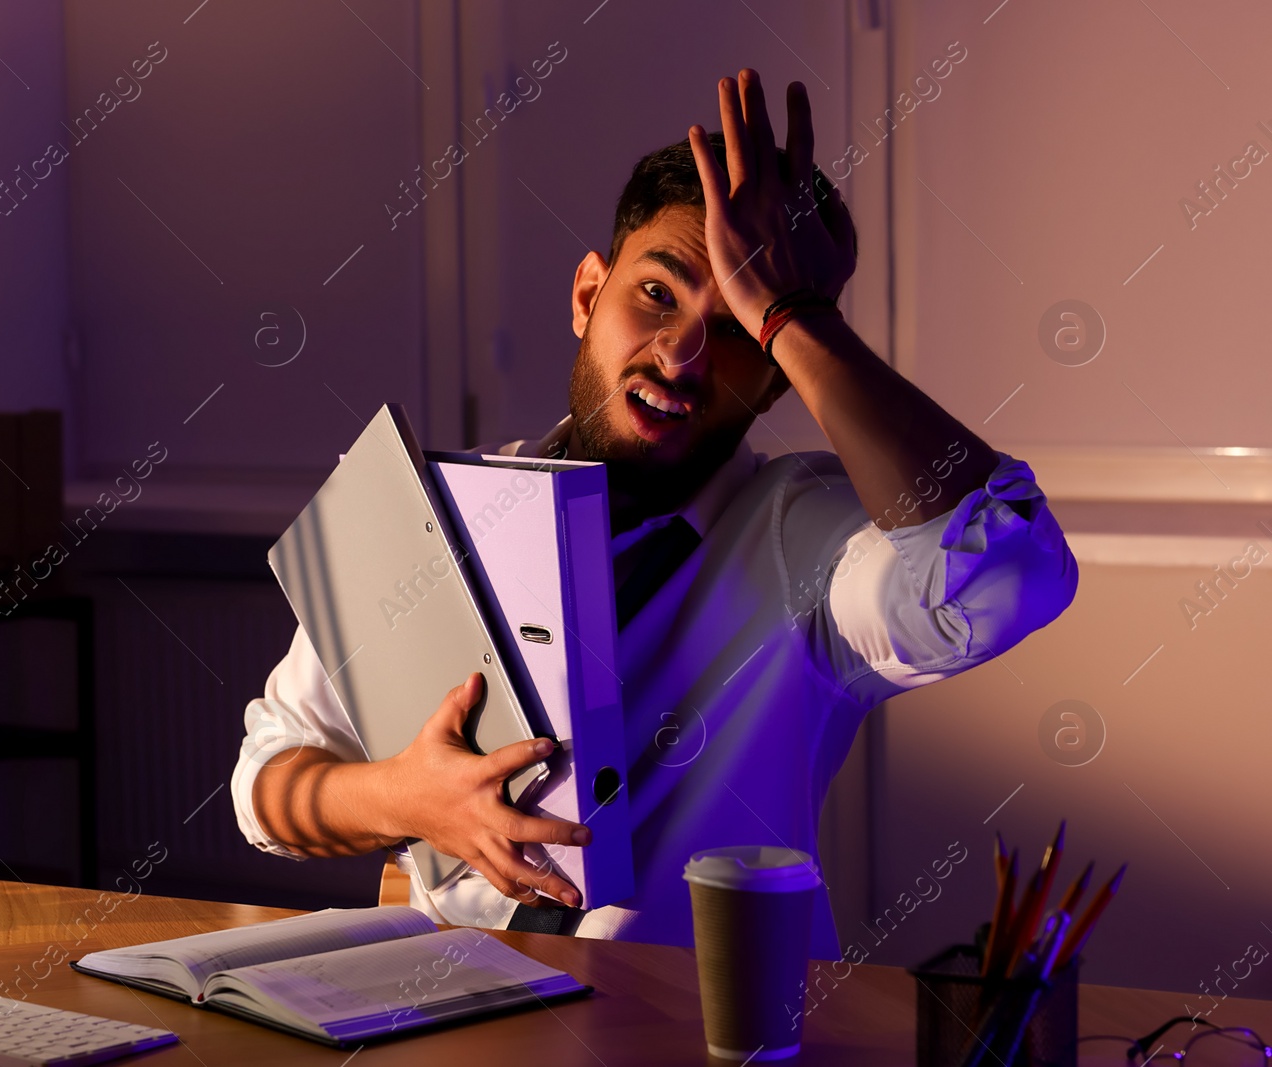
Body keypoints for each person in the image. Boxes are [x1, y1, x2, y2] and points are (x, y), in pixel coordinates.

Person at [229, 70, 1077, 955]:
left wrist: (797, 313)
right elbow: (268, 782)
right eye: (658, 295)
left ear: (783, 373)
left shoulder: (806, 541)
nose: (680, 356)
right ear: (588, 295)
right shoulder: (434, 508)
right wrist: (409, 797)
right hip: (450, 1010)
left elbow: (1012, 572)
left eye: (743, 330)